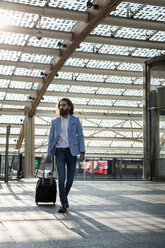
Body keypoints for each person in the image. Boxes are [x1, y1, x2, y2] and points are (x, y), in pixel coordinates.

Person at [45, 98, 85, 213]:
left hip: (72, 152)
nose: (62, 107)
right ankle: (63, 203)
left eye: (64, 105)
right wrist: (49, 154)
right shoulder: (55, 122)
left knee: (70, 179)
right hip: (59, 152)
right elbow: (51, 139)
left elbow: (80, 136)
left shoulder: (75, 120)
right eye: (60, 105)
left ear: (69, 107)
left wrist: (82, 152)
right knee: (61, 178)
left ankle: (64, 196)